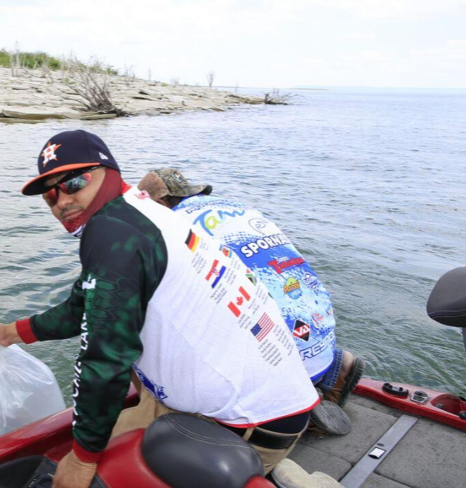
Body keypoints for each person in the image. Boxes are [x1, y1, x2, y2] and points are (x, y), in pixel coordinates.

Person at [0, 130, 320, 488]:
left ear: (108, 171)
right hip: (253, 399)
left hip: (245, 422)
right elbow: (84, 306)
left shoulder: (112, 234)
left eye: (74, 182)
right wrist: (14, 332)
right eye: (50, 194)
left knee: (84, 471)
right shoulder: (138, 210)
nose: (62, 201)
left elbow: (107, 357)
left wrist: (82, 460)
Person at [136, 168, 364, 417]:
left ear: (157, 204)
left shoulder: (170, 226)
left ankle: (285, 407)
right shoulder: (237, 209)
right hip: (320, 336)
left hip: (277, 370)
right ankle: (334, 370)